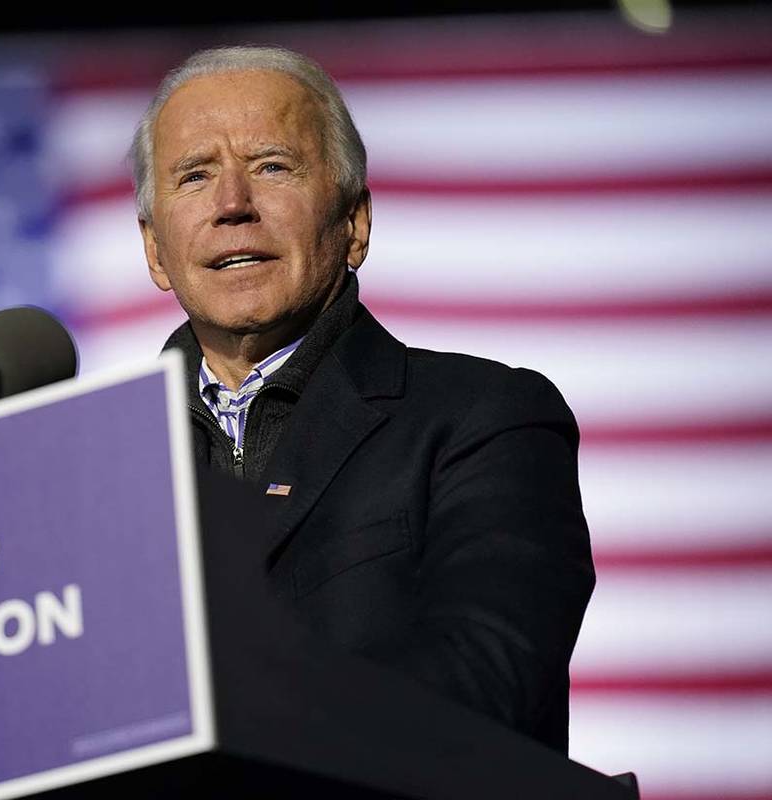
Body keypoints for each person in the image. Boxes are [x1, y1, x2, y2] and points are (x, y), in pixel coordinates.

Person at [128, 45, 594, 752]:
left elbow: (488, 678)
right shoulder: (99, 472)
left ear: (355, 222)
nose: (232, 205)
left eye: (272, 167)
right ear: (156, 250)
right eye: (195, 176)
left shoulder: (485, 417)